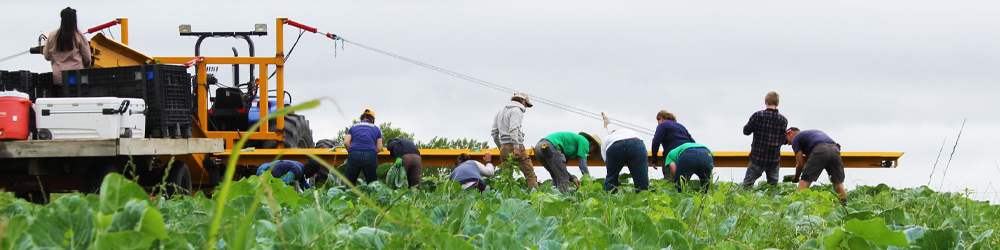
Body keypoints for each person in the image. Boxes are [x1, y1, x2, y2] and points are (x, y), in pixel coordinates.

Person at [741, 91, 788, 190]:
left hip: (758, 157)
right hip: (774, 159)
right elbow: (783, 139)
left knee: (747, 186)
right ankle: (773, 204)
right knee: (773, 188)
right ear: (777, 103)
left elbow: (746, 131)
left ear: (765, 102)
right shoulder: (783, 120)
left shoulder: (758, 116)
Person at [491, 91, 538, 189]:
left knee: (506, 178)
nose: (526, 106)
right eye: (526, 103)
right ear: (521, 100)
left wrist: (501, 147)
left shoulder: (500, 111)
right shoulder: (517, 110)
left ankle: (503, 200)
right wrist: (516, 147)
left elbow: (494, 132)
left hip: (503, 147)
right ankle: (537, 200)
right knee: (530, 175)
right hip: (516, 146)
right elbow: (513, 129)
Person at [787, 127, 847, 203]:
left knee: (805, 180)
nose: (789, 144)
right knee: (838, 183)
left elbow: (800, 164)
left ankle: (797, 206)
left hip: (820, 149)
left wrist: (796, 178)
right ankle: (844, 207)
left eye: (787, 141)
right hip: (835, 149)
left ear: (790, 133)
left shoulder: (796, 138)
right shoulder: (810, 134)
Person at [43, 7, 91, 96]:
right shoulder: (79, 36)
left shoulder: (52, 36)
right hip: (76, 77)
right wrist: (86, 65)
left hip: (59, 78)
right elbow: (87, 58)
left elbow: (46, 56)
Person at [534, 131, 599, 193]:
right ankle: (562, 201)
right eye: (595, 150)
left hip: (539, 148)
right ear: (592, 143)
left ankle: (552, 200)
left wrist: (573, 179)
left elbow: (561, 170)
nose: (592, 153)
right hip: (551, 146)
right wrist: (589, 181)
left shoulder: (569, 149)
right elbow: (582, 165)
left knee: (556, 176)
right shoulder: (585, 142)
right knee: (563, 180)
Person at [600, 113, 649, 192]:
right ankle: (643, 200)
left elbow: (606, 161)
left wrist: (613, 174)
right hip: (636, 143)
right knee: (642, 180)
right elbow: (644, 152)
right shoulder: (633, 133)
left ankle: (608, 199)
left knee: (611, 179)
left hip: (614, 145)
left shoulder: (607, 138)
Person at [650, 110, 695, 179]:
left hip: (672, 154)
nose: (658, 123)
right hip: (686, 153)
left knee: (670, 180)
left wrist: (654, 160)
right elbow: (692, 142)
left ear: (661, 118)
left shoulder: (662, 125)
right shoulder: (681, 126)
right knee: (683, 180)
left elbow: (656, 142)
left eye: (658, 120)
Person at [344, 109, 383, 185]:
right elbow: (378, 148)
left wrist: (351, 151)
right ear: (372, 119)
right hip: (370, 154)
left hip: (354, 153)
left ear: (362, 117)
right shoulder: (376, 129)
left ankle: (348, 195)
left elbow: (346, 142)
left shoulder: (353, 127)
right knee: (372, 184)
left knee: (350, 183)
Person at [256, 159, 322, 190]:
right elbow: (284, 182)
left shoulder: (301, 168)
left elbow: (304, 184)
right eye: (313, 173)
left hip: (263, 167)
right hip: (264, 172)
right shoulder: (297, 170)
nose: (312, 175)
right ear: (310, 170)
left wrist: (313, 194)